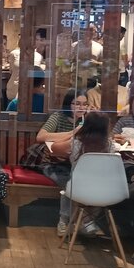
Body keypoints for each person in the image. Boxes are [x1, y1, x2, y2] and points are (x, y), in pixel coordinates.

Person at [35, 90, 90, 236]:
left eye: (85, 104)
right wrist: (73, 132)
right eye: (76, 104)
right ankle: (64, 221)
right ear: (68, 104)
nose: (81, 108)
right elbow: (41, 137)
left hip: (78, 164)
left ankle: (84, 220)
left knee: (89, 180)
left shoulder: (88, 120)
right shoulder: (58, 117)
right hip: (53, 164)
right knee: (70, 183)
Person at [64, 111, 114, 237]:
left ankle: (85, 221)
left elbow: (56, 149)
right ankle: (88, 221)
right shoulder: (110, 146)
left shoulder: (76, 143)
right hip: (105, 191)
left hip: (79, 188)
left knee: (72, 183)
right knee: (98, 188)